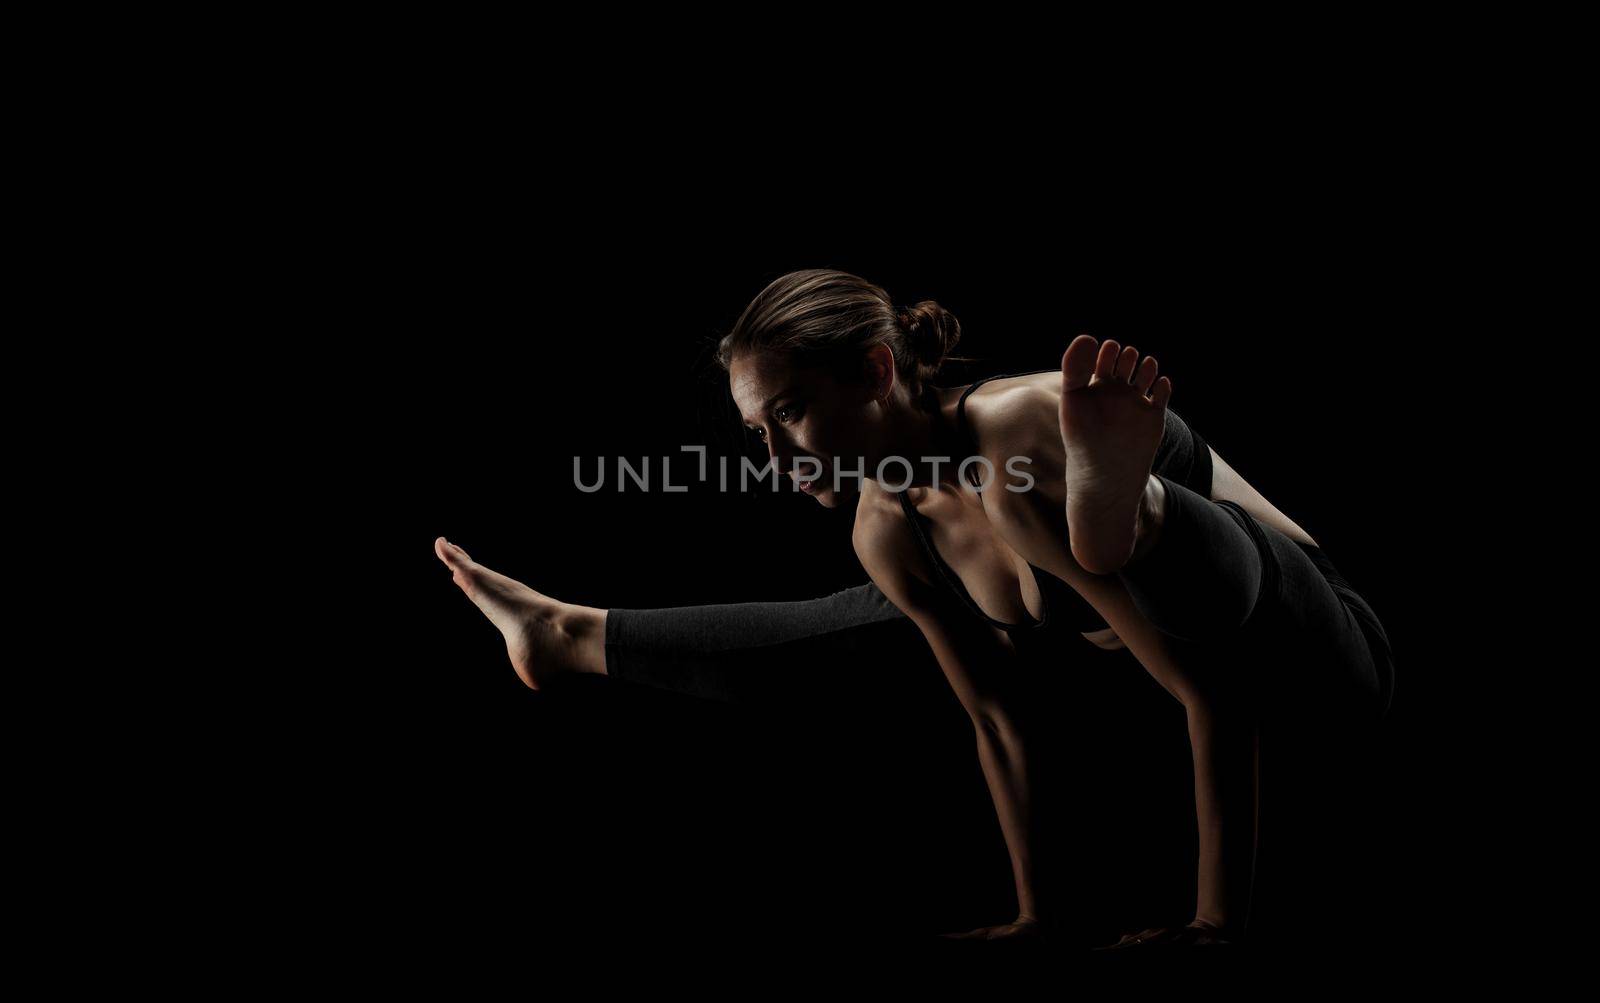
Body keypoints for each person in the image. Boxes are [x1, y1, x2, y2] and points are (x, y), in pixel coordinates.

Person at [432, 268, 1396, 948]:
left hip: (1319, 649)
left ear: (880, 372)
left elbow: (1216, 686)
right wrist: (1039, 917)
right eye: (755, 432)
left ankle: (1132, 516)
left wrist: (1215, 922)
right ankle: (573, 633)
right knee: (858, 618)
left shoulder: (1014, 427)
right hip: (1103, 607)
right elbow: (999, 721)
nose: (777, 458)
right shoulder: (884, 526)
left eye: (794, 414)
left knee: (1030, 487)